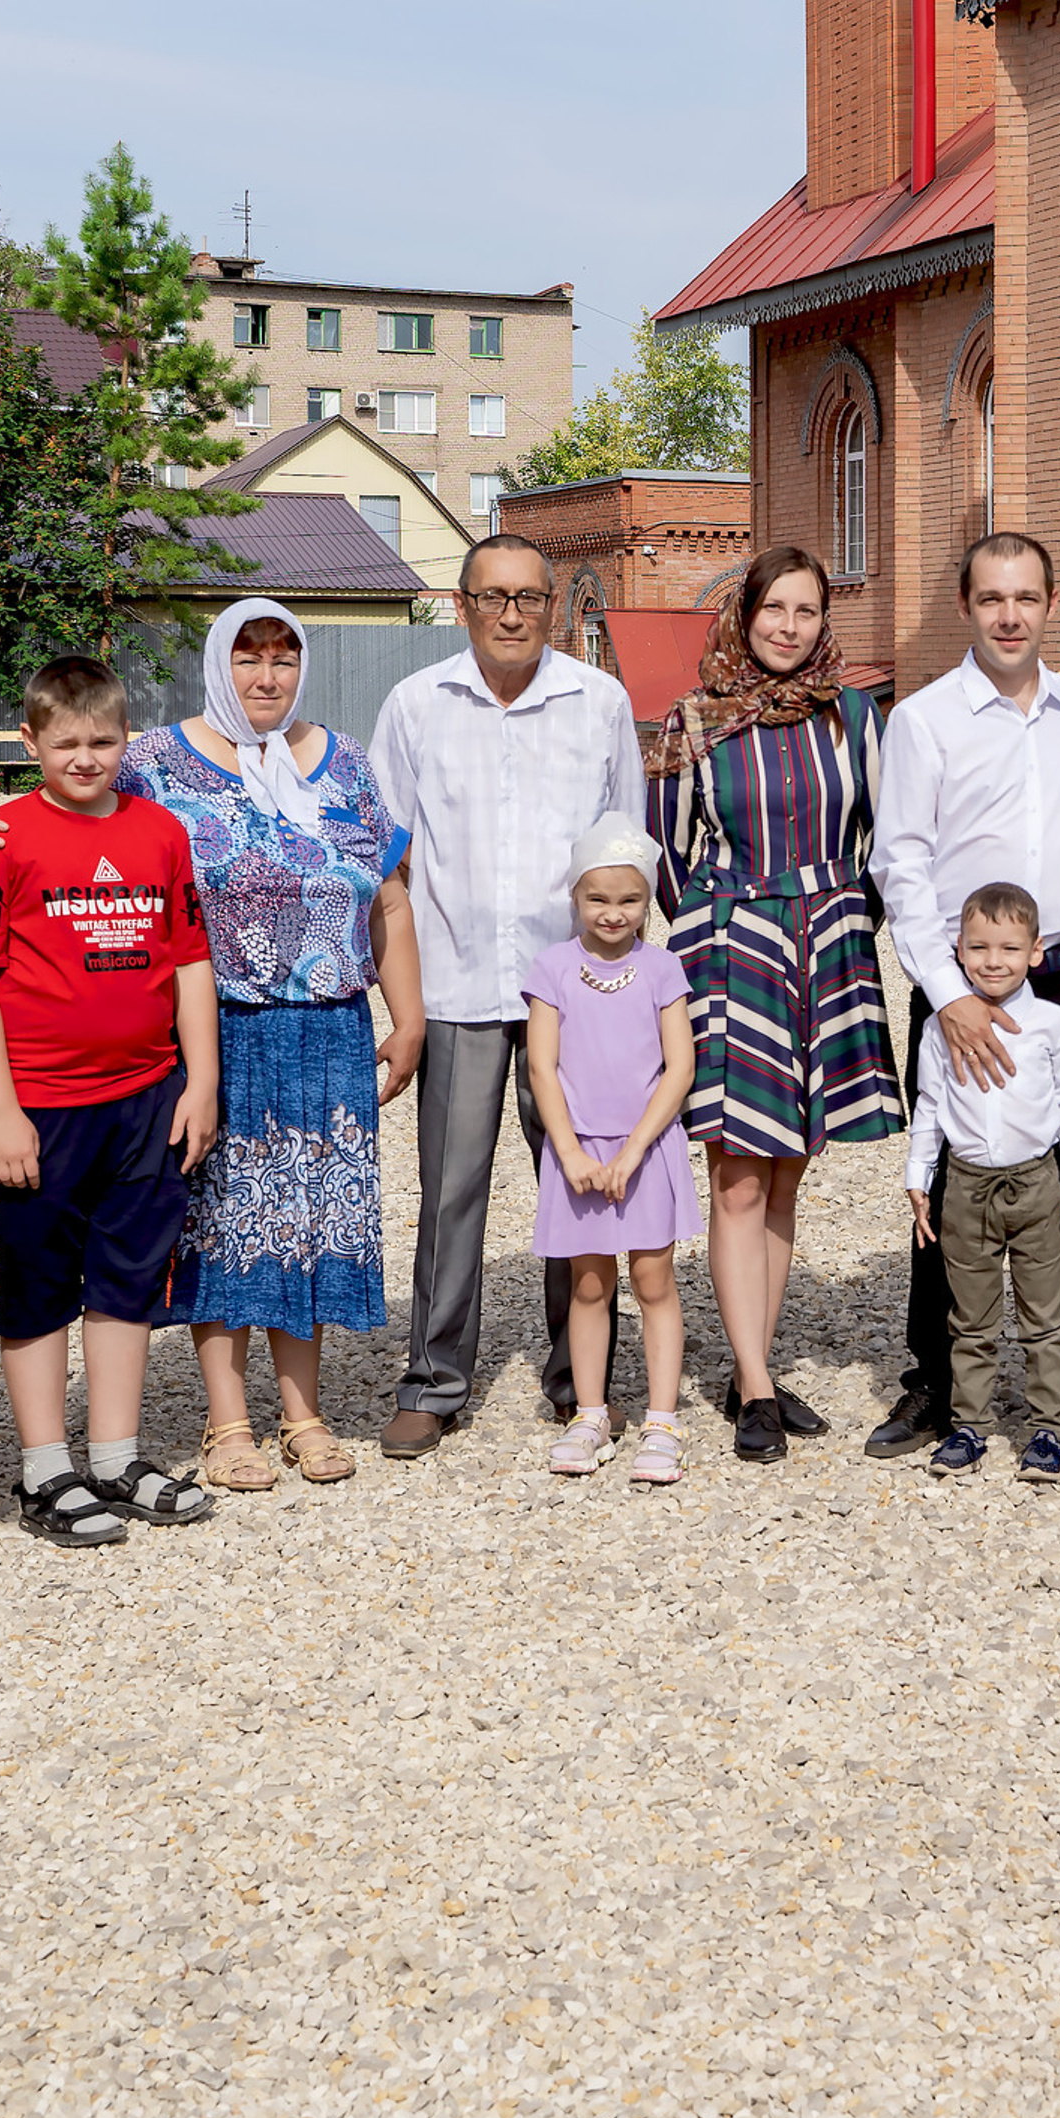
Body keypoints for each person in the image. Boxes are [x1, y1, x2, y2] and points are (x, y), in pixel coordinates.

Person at [0, 596, 429, 1488]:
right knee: (218, 1223)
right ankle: (226, 1422)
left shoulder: (347, 762)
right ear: (218, 663)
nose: (266, 675)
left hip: (329, 1032)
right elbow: (73, 813)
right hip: (216, 1033)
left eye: (283, 657)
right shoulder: (154, 763)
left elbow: (388, 896)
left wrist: (410, 1017)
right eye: (248, 656)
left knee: (307, 1219)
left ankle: (304, 1412)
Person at [369, 535, 645, 1459]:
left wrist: (621, 991)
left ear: (553, 606)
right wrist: (402, 1000)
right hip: (457, 985)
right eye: (494, 597)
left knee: (578, 1185)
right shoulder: (416, 705)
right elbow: (387, 857)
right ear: (462, 606)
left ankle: (582, 1382)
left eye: (529, 597)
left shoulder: (599, 703)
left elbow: (626, 851)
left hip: (573, 992)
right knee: (450, 1193)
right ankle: (434, 1380)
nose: (513, 614)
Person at [0, 654, 220, 1545]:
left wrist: (201, 1081)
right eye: (65, 743)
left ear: (126, 737)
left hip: (145, 1097)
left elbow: (190, 961)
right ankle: (44, 1467)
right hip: (41, 1107)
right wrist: (0, 1108)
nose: (86, 758)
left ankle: (114, 1455)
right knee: (34, 1282)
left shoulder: (160, 832)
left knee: (127, 1275)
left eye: (102, 741)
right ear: (30, 742)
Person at [868, 533, 1060, 1461]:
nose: (1009, 616)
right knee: (953, 1176)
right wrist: (947, 995)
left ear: (1051, 604)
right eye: (991, 599)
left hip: (1057, 972)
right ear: (965, 606)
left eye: (1025, 598)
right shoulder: (924, 720)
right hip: (960, 981)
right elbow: (900, 863)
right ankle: (937, 1382)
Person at [651, 547, 899, 1463]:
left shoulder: (856, 717)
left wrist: (847, 917)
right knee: (739, 1173)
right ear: (743, 614)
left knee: (790, 1166)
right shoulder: (694, 719)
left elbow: (886, 838)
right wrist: (721, 928)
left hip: (830, 948)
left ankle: (750, 1363)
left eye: (807, 611)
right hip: (734, 950)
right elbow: (666, 852)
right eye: (774, 609)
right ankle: (756, 1383)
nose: (790, 628)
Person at [524, 814, 700, 1486]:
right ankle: (591, 1412)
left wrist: (633, 1151)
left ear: (647, 900)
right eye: (596, 898)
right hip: (580, 1153)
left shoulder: (662, 968)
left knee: (654, 1281)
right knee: (590, 1283)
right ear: (574, 896)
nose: (612, 912)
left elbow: (679, 1068)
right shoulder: (553, 969)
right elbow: (542, 1068)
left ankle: (662, 1419)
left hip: (645, 1151)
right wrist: (569, 1152)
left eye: (629, 899)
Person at [905, 883, 1060, 1482]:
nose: (994, 961)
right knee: (970, 1319)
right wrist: (919, 1177)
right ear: (958, 951)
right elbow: (929, 1106)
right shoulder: (941, 1028)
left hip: (1038, 1187)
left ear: (1036, 951)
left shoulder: (1056, 1025)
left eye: (1010, 948)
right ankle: (969, 1425)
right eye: (980, 948)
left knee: (1046, 1318)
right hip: (966, 1187)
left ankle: (1047, 1431)